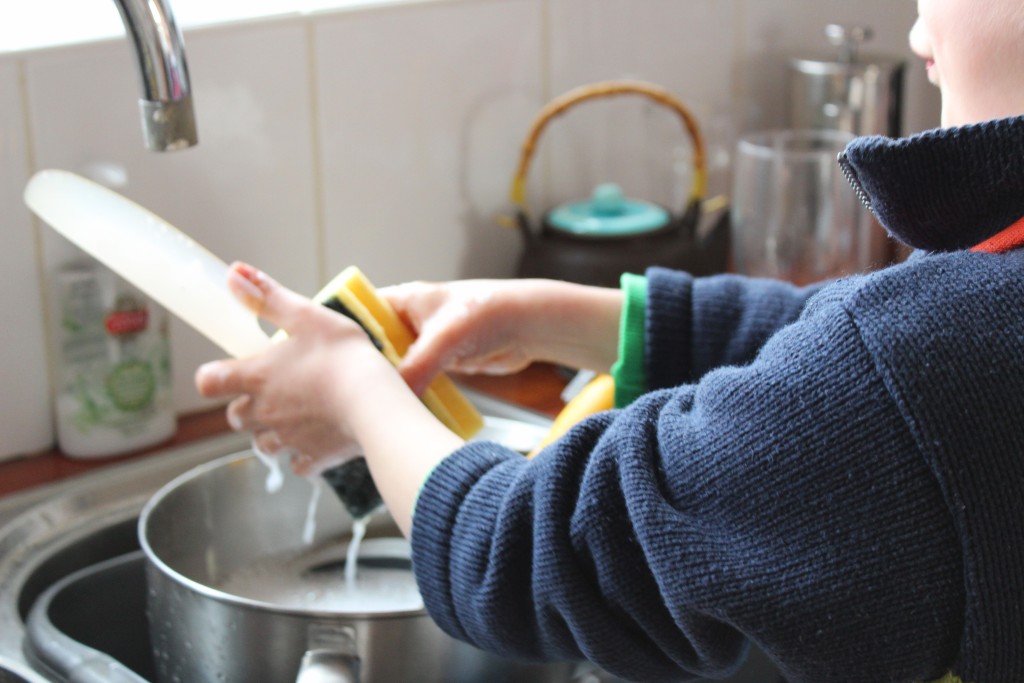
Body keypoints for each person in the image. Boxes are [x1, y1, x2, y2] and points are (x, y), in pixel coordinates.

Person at [195, 1, 1024, 681]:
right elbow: (862, 358)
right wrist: (566, 318)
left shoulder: (918, 372)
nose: (915, 29)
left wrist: (353, 390)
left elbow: (527, 553)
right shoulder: (953, 338)